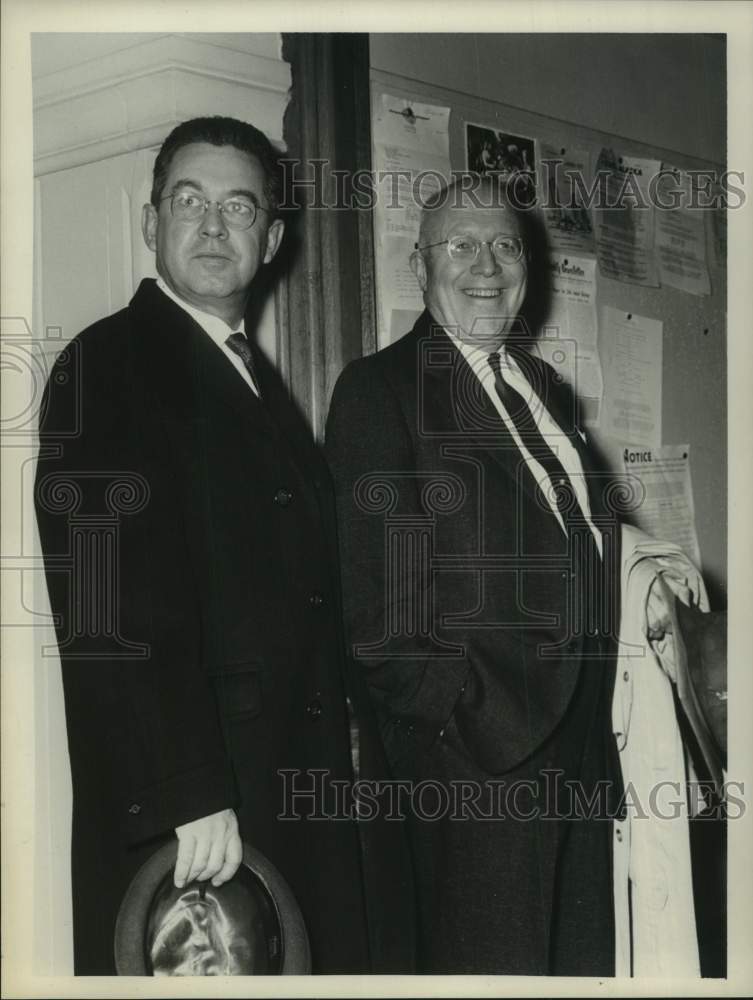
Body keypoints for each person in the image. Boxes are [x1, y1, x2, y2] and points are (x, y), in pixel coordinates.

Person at [34, 116, 413, 975]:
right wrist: (188, 793)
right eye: (188, 201)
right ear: (150, 223)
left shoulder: (250, 376)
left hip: (282, 793)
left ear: (273, 239)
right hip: (198, 816)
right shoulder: (111, 363)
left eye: (238, 208)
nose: (212, 226)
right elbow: (107, 606)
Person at [325, 174, 715, 975]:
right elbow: (378, 619)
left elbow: (575, 542)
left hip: (585, 747)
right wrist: (474, 730)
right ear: (419, 265)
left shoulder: (541, 389)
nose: (487, 265)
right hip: (478, 770)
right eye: (461, 245)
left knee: (585, 968)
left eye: (505, 245)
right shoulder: (381, 391)